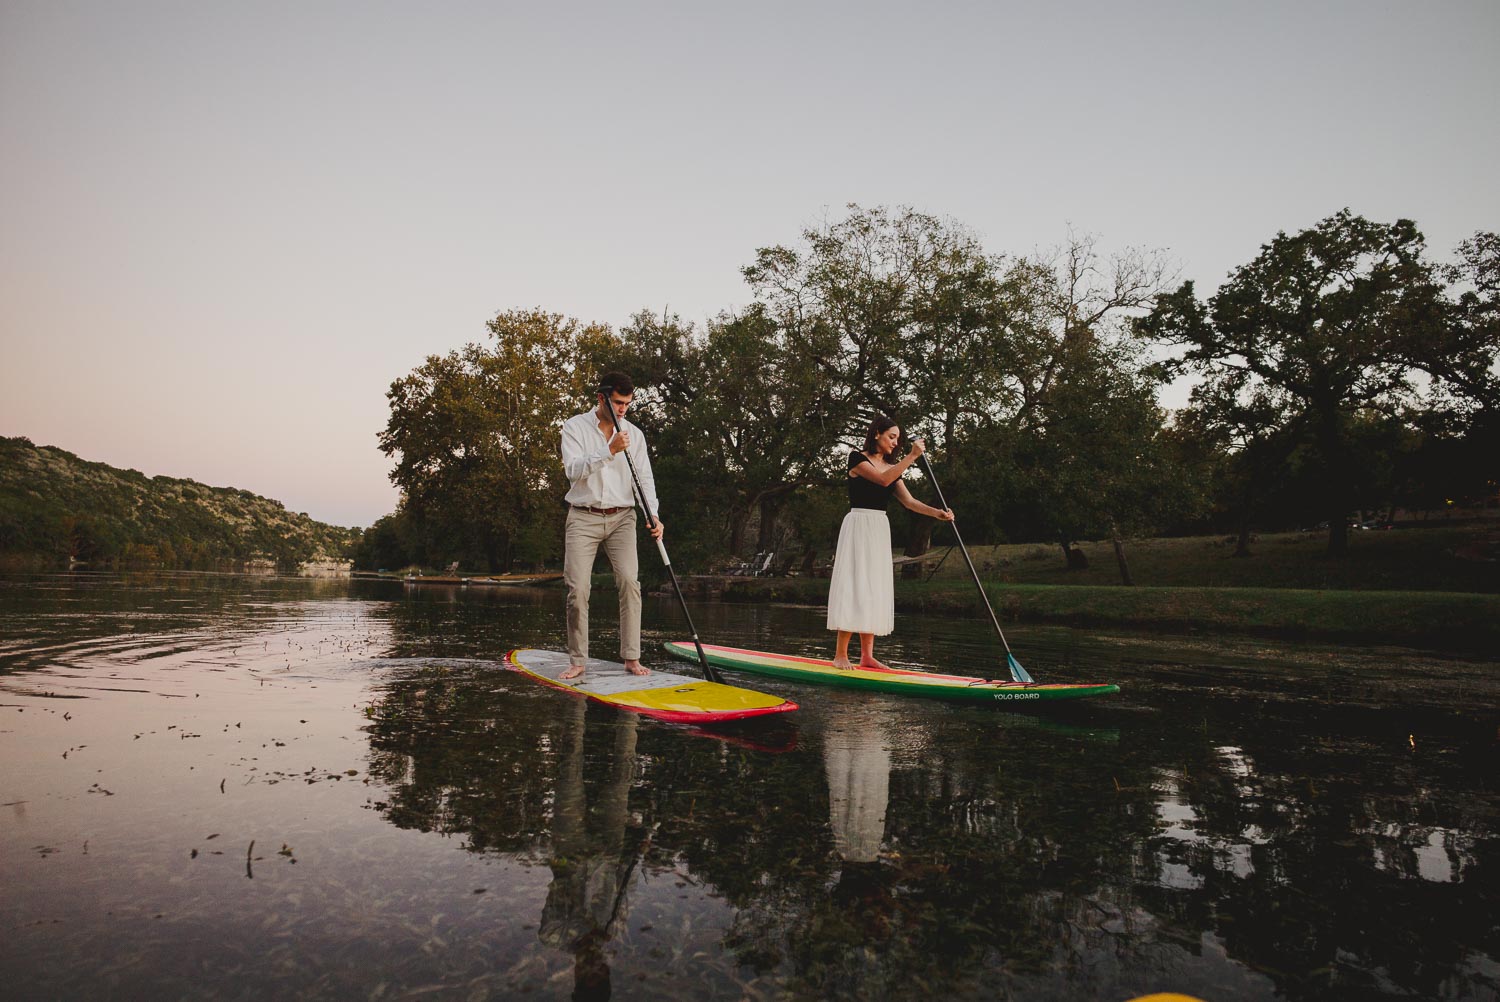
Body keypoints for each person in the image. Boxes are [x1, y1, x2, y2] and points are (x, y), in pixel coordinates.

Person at [559, 372, 663, 680]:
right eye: (618, 402)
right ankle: (578, 660)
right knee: (578, 590)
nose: (623, 410)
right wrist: (609, 450)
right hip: (583, 514)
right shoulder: (575, 427)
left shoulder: (635, 435)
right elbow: (573, 471)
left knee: (630, 583)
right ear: (601, 398)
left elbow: (643, 479)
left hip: (622, 517)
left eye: (628, 404)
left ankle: (631, 657)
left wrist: (653, 515)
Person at [827, 416, 953, 670]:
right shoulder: (857, 458)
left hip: (878, 528)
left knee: (873, 586)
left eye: (898, 439)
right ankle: (840, 654)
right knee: (855, 583)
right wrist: (912, 456)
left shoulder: (892, 468)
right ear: (877, 434)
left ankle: (867, 656)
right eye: (891, 437)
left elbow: (909, 502)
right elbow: (882, 480)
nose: (895, 443)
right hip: (859, 524)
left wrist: (937, 513)